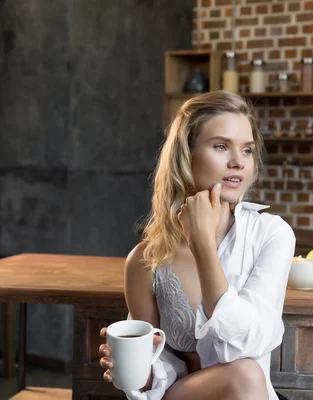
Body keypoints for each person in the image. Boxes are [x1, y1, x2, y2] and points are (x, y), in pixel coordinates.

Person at [98, 91, 296, 400]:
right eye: (220, 146)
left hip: (250, 392)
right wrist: (131, 366)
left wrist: (203, 246)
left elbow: (247, 346)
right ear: (186, 155)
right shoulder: (145, 261)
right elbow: (155, 371)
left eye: (247, 150)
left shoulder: (272, 235)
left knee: (245, 374)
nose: (237, 162)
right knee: (244, 376)